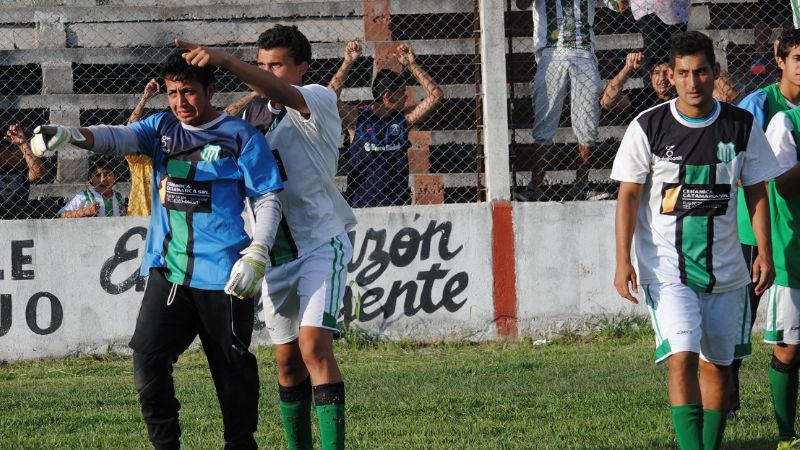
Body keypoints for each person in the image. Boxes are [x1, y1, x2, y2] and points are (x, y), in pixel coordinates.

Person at [30, 49, 284, 450]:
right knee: (147, 361)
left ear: (210, 90)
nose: (180, 102)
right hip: (169, 273)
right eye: (172, 92)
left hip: (225, 277)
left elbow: (267, 197)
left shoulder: (240, 136)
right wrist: (71, 134)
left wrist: (258, 250)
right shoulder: (163, 126)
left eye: (189, 92)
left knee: (232, 374)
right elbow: (120, 137)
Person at [175, 24, 357, 450]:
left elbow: (283, 94)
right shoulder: (250, 118)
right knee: (288, 363)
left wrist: (223, 61)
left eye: (276, 65)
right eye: (261, 65)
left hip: (319, 243)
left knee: (314, 349)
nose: (267, 73)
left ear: (301, 67)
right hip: (273, 255)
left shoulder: (317, 98)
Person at [612, 31, 783, 450]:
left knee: (718, 367)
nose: (693, 82)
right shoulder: (647, 125)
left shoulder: (741, 125)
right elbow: (629, 195)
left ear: (715, 72)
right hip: (667, 267)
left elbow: (757, 189)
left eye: (701, 72)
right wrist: (622, 260)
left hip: (727, 269)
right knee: (682, 355)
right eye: (683, 73)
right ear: (670, 75)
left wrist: (763, 252)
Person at [728, 28, 800, 423]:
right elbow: (739, 164)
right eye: (797, 59)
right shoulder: (759, 104)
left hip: (793, 235)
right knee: (739, 318)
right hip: (753, 230)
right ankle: (726, 402)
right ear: (780, 59)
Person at [515, 0, 623, 202]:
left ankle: (582, 184)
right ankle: (535, 185)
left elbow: (619, 5)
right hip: (550, 53)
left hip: (584, 54)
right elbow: (520, 4)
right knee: (544, 121)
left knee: (587, 122)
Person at [327, 40, 443, 207]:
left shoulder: (403, 119)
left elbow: (436, 96)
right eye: (402, 93)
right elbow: (328, 99)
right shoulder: (357, 118)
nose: (406, 98)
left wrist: (412, 65)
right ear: (387, 96)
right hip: (360, 207)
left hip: (397, 207)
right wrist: (348, 62)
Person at [601, 52, 740, 113]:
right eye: (656, 73)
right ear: (650, 77)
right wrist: (628, 68)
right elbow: (607, 101)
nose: (661, 78)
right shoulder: (642, 96)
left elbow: (730, 95)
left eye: (666, 73)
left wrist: (705, 59)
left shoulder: (689, 93)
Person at [125, 78, 160, 216]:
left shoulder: (169, 155)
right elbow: (129, 130)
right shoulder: (139, 159)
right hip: (140, 213)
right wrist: (144, 98)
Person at [0, 123, 43, 220]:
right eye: (16, 149)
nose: (22, 154)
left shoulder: (22, 171)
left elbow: (38, 172)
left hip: (15, 222)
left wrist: (22, 144)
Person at [57, 160, 126, 218]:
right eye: (97, 175)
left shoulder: (118, 197)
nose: (102, 180)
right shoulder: (83, 196)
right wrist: (83, 211)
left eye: (108, 174)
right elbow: (60, 215)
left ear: (115, 177)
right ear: (90, 178)